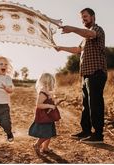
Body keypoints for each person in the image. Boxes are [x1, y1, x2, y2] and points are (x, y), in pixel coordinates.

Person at [55, 8, 107, 144]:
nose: (83, 19)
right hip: (86, 75)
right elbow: (77, 50)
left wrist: (72, 28)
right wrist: (61, 48)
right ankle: (86, 131)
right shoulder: (85, 38)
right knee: (87, 105)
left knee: (95, 104)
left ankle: (98, 135)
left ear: (93, 16)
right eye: (81, 17)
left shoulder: (97, 30)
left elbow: (89, 34)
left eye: (85, 16)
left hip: (96, 72)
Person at [28, 73, 57, 153]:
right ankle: (37, 144)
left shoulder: (47, 92)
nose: (53, 85)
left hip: (49, 117)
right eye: (52, 83)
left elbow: (49, 101)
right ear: (47, 83)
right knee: (46, 133)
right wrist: (49, 106)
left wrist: (53, 101)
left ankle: (45, 147)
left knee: (49, 133)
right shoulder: (42, 93)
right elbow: (39, 105)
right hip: (44, 117)